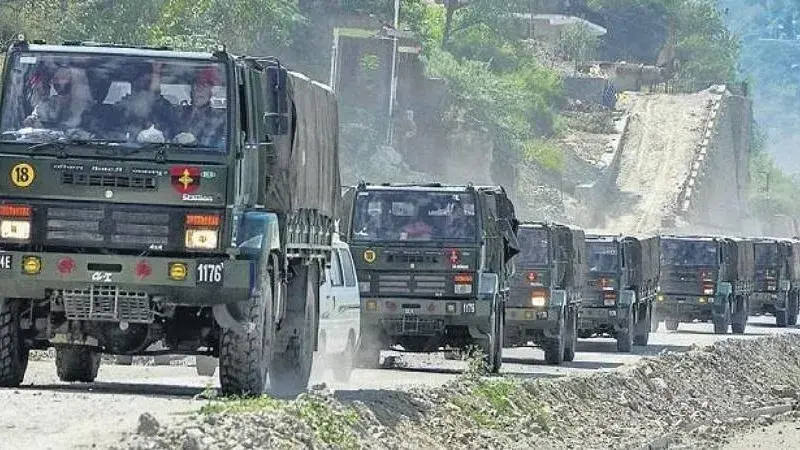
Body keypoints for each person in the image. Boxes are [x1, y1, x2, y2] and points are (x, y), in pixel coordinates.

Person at [114, 62, 174, 140]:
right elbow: (113, 135)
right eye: (143, 86)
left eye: (150, 83)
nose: (150, 88)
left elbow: (175, 137)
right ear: (134, 85)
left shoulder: (166, 109)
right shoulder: (123, 107)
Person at [23, 66, 93, 130]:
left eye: (63, 78)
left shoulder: (85, 107)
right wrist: (31, 121)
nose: (59, 81)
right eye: (56, 78)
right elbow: (35, 118)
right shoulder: (47, 103)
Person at [173, 67, 225, 147]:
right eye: (197, 84)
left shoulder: (220, 118)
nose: (199, 89)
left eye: (205, 85)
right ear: (191, 90)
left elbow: (220, 147)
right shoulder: (178, 112)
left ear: (211, 91)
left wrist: (194, 142)